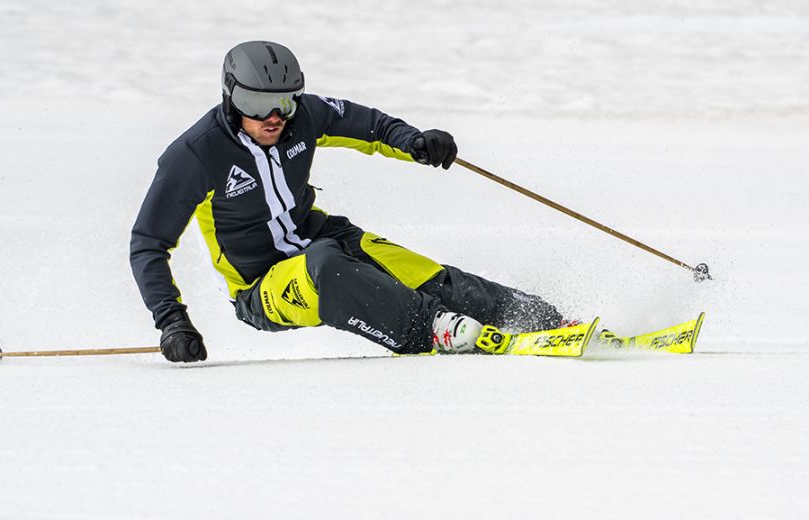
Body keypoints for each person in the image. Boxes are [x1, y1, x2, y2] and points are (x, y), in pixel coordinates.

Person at [130, 40, 564, 363]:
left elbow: (371, 126)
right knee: (327, 266)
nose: (274, 117)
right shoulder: (195, 155)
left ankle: (544, 319)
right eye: (255, 104)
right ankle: (435, 330)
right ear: (230, 96)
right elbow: (148, 244)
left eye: (285, 101)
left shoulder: (303, 118)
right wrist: (172, 321)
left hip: (326, 237)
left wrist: (415, 142)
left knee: (422, 274)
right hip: (261, 287)